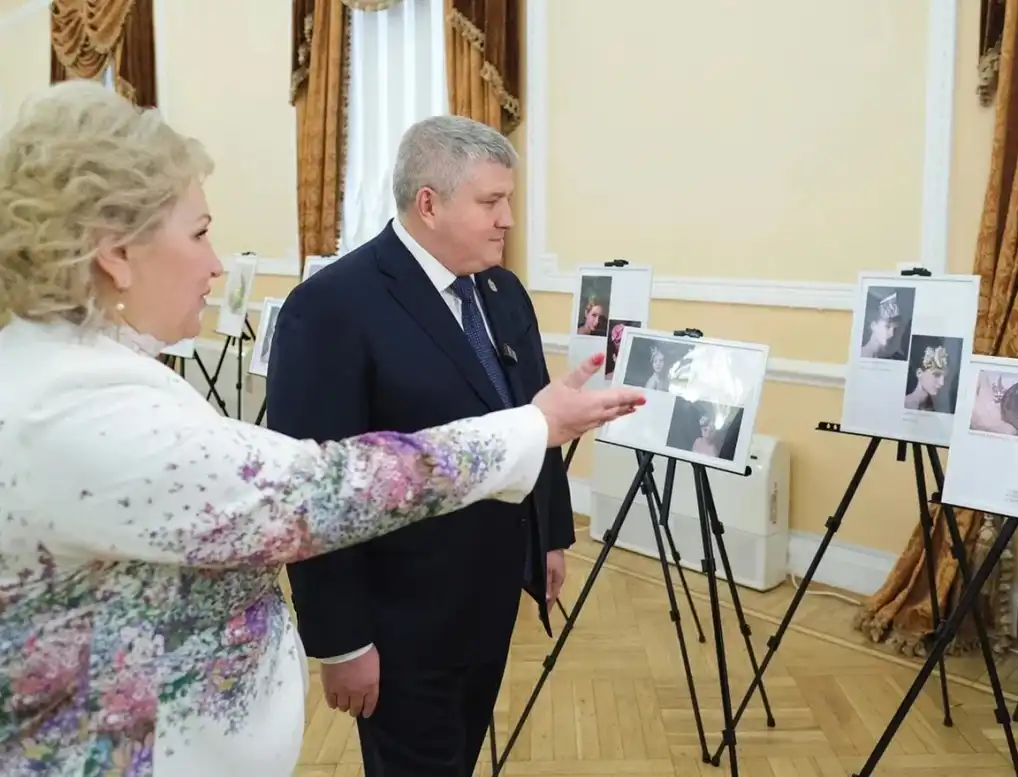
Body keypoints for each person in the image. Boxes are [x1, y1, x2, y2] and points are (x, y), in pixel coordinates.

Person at [0, 81, 645, 777]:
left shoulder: (90, 367)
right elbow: (322, 489)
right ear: (114, 253)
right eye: (199, 232)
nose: (218, 262)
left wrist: (543, 526)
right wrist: (533, 427)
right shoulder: (73, 408)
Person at [264, 115, 599, 776]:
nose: (507, 219)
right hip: (397, 624)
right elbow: (313, 492)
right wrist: (341, 640)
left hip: (490, 599)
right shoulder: (331, 306)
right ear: (428, 203)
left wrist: (548, 535)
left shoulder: (503, 292)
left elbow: (535, 416)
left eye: (509, 200)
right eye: (490, 202)